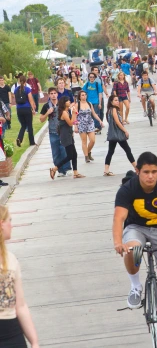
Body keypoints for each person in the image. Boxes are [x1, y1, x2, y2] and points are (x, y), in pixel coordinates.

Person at [112, 152, 157, 343]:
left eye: (154, 172)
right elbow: (119, 218)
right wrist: (118, 242)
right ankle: (135, 285)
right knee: (133, 248)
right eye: (146, 172)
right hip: (136, 228)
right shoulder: (127, 189)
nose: (150, 176)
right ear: (137, 171)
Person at [0, 205, 40, 348]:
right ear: (1, 224)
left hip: (12, 333)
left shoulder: (11, 260)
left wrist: (34, 342)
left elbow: (20, 305)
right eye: (9, 220)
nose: (12, 225)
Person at [49, 96, 84, 179]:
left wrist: (75, 119)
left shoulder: (67, 111)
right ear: (64, 103)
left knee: (74, 154)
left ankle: (75, 172)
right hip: (65, 136)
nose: (69, 102)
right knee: (70, 155)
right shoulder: (64, 112)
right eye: (67, 101)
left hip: (68, 134)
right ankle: (55, 168)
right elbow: (70, 123)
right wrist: (75, 113)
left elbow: (72, 122)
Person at [40, 87, 72, 177]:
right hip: (53, 132)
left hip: (63, 132)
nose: (53, 95)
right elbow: (41, 119)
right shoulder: (46, 106)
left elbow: (69, 119)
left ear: (57, 94)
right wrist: (47, 113)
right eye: (51, 93)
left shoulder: (62, 105)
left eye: (55, 93)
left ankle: (67, 168)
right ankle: (60, 170)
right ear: (49, 95)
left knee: (64, 150)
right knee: (55, 152)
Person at [104, 95, 136, 176]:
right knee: (127, 150)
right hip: (118, 134)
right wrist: (125, 131)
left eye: (118, 100)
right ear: (111, 102)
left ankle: (106, 170)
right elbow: (117, 122)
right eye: (115, 100)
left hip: (112, 135)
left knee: (110, 152)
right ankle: (137, 168)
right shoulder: (114, 109)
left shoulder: (109, 110)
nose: (117, 101)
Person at [76, 90, 104, 163]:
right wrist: (75, 126)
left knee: (93, 140)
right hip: (81, 124)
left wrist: (100, 121)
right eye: (82, 95)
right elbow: (74, 116)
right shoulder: (77, 104)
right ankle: (86, 156)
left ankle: (88, 152)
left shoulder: (89, 103)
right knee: (84, 141)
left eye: (85, 95)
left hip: (90, 123)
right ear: (79, 96)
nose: (84, 96)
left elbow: (94, 114)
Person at [13, 75, 36, 148]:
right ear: (26, 81)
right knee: (29, 125)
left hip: (19, 109)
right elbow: (31, 100)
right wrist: (33, 109)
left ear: (19, 81)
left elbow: (16, 100)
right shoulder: (27, 89)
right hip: (26, 108)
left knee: (23, 125)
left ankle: (19, 138)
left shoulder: (16, 89)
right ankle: (32, 142)